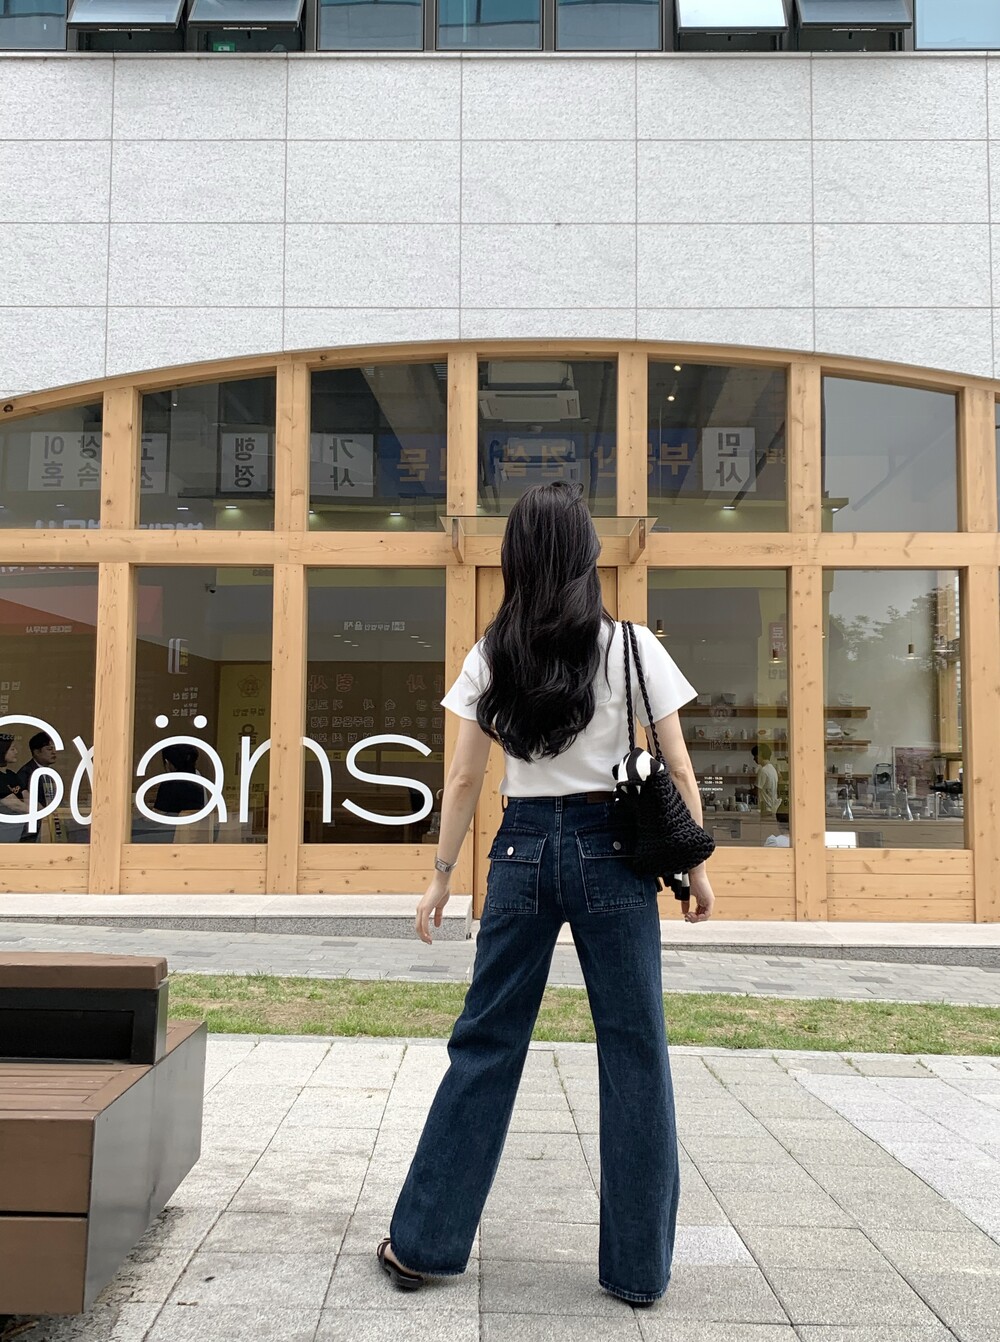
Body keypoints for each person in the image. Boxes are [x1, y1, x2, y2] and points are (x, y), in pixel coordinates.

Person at [378, 481, 715, 1307]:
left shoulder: (492, 653)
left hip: (522, 850)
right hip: (615, 854)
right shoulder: (631, 646)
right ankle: (637, 1271)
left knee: (486, 1042)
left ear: (516, 559)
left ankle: (423, 1247)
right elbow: (676, 765)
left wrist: (441, 876)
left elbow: (464, 779)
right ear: (588, 556)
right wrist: (695, 866)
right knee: (635, 1051)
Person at [16, 731, 58, 843]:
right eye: (49, 749)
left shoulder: (49, 772)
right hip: (32, 827)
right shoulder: (26, 773)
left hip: (48, 823)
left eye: (54, 748)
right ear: (37, 752)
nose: (54, 752)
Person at [152, 743, 209, 816]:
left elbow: (156, 815)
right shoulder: (197, 776)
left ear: (167, 762)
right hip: (198, 822)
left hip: (172, 823)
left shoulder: (170, 783)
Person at [751, 743, 779, 819]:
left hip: (766, 810)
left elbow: (756, 791)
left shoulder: (763, 770)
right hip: (772, 808)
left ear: (760, 754)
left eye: (755, 756)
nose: (754, 759)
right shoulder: (772, 769)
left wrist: (743, 791)